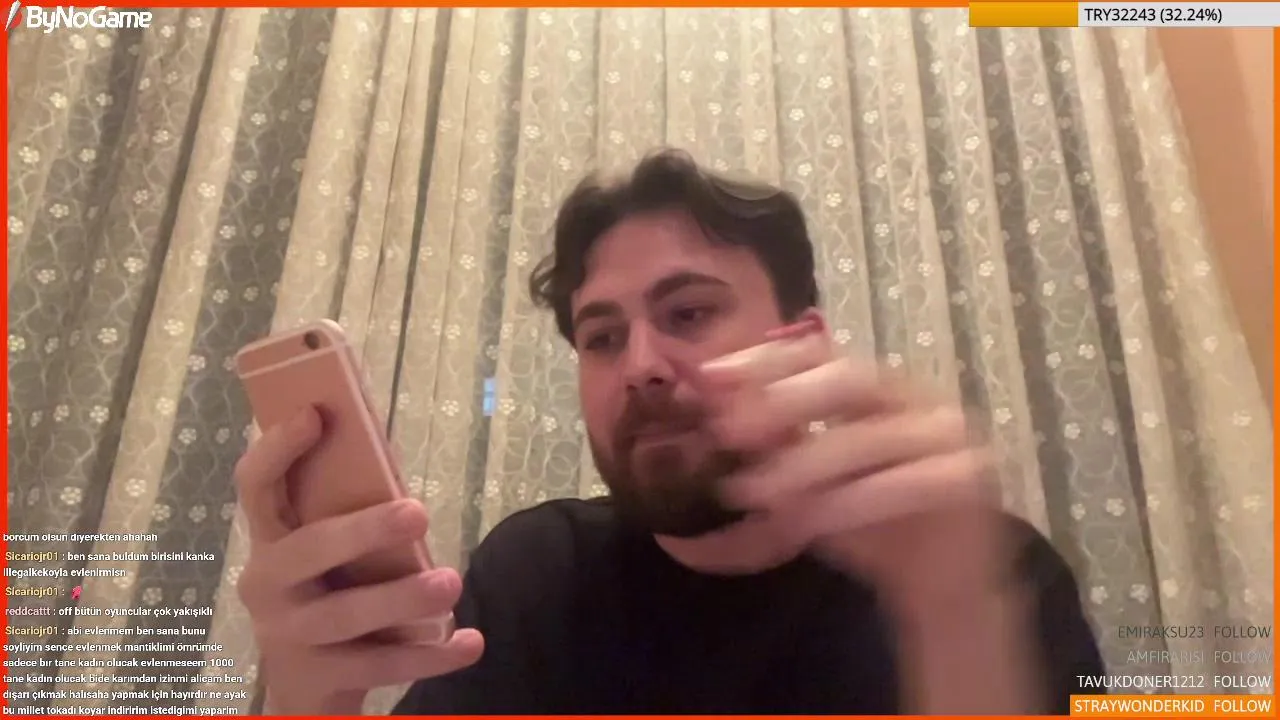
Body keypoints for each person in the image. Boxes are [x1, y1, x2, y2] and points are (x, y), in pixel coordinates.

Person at [235, 149, 1105, 715]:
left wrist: (957, 624)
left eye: (688, 312)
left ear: (800, 342)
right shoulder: (536, 577)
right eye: (602, 337)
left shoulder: (986, 571)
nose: (640, 365)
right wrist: (310, 699)